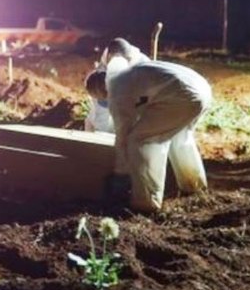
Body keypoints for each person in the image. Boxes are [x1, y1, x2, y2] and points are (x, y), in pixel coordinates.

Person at [86, 58, 212, 213]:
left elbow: (123, 137)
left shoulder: (117, 94)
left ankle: (146, 202)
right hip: (201, 90)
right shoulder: (125, 73)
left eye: (99, 98)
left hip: (181, 97)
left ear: (101, 92)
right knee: (179, 135)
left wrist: (120, 174)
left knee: (140, 140)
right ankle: (193, 185)